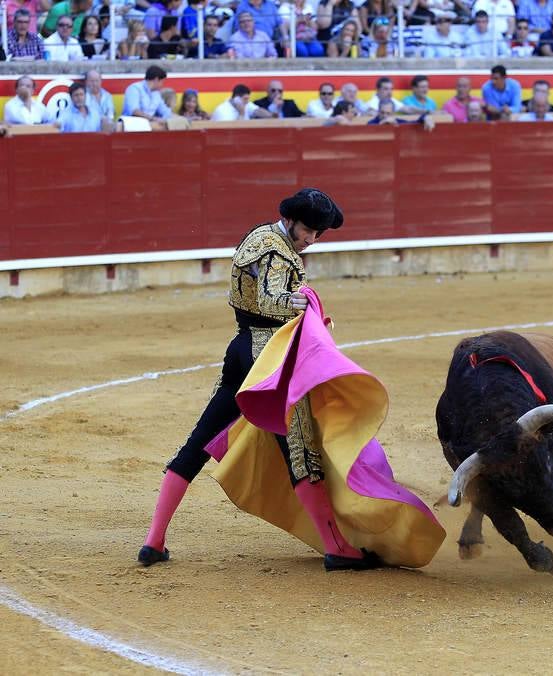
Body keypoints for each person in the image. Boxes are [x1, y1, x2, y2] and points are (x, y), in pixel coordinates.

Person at [137, 190, 385, 572]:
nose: (311, 240)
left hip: (241, 348)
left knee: (200, 440)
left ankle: (154, 541)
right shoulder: (276, 250)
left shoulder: (259, 235)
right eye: (307, 230)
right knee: (300, 450)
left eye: (318, 233)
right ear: (290, 221)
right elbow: (271, 299)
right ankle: (338, 549)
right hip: (269, 357)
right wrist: (298, 303)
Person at [367, 100, 436, 131]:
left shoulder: (398, 122)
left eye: (388, 113)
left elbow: (416, 122)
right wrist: (381, 125)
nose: (385, 116)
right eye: (382, 112)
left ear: (393, 114)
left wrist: (426, 117)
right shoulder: (371, 123)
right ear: (378, 112)